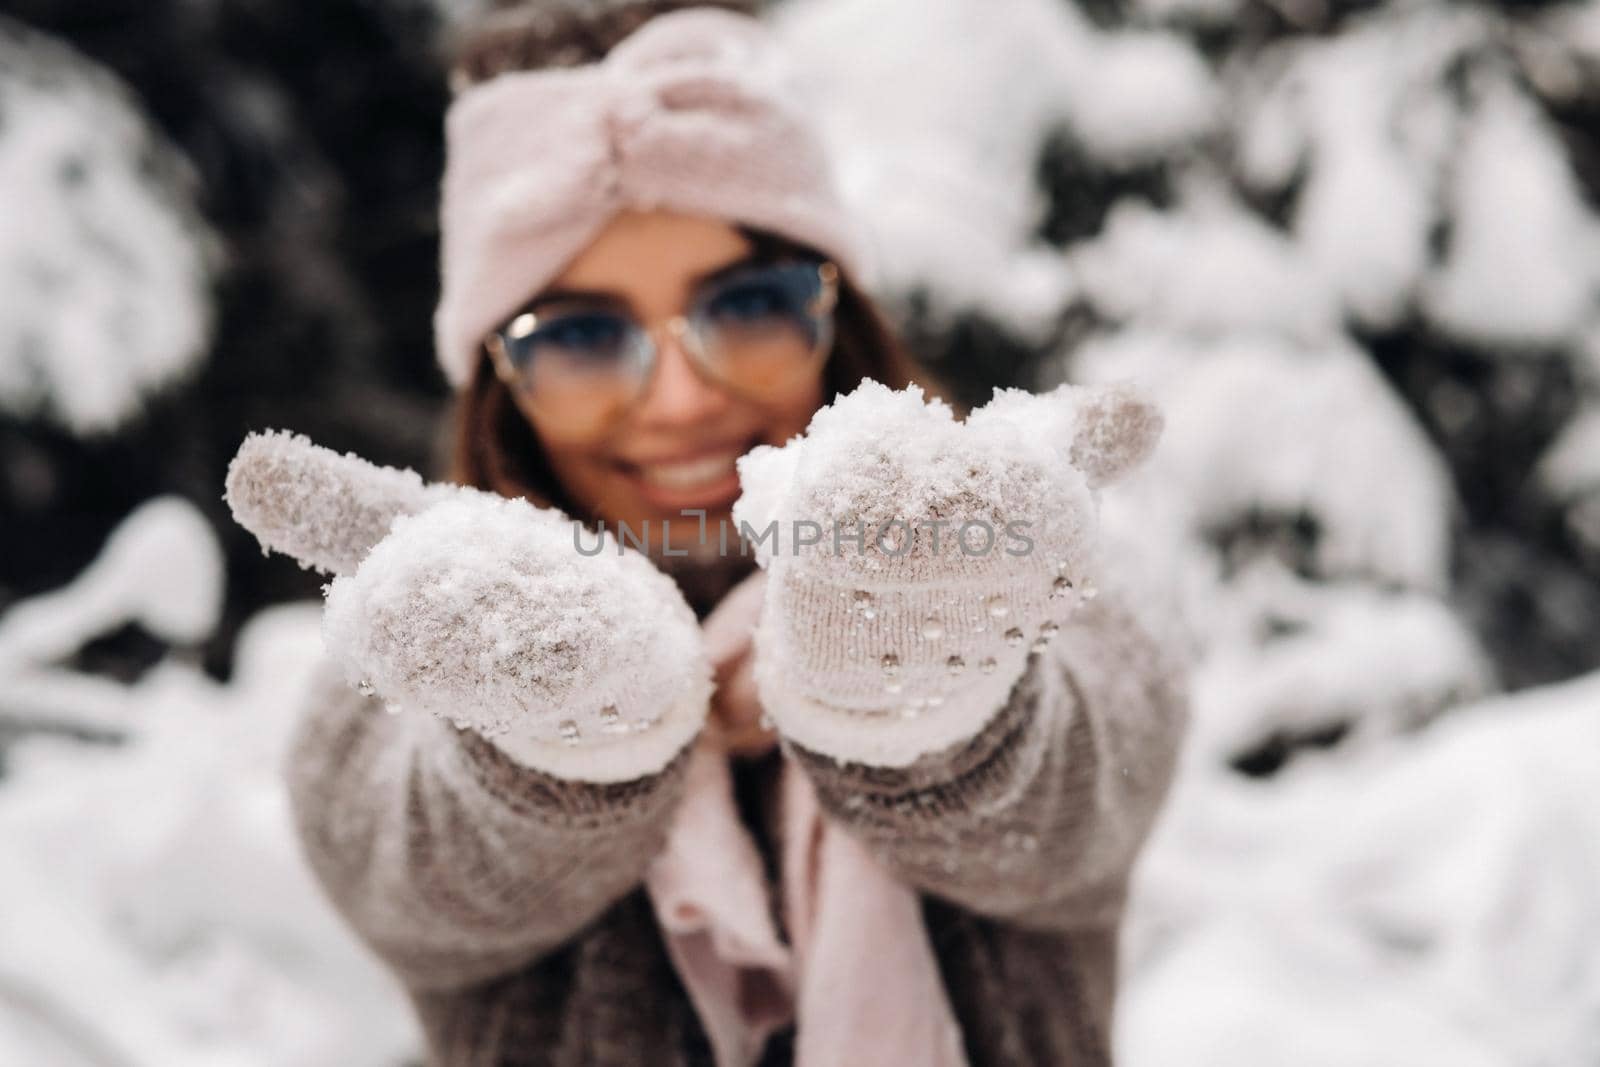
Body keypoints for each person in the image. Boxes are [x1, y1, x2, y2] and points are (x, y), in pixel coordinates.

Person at [230, 2, 1190, 1064]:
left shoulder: (1032, 569)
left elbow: (1074, 794)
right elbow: (411, 857)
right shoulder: (424, 649)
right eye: (582, 334)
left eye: (747, 302)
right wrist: (554, 743)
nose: (681, 399)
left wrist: (941, 695)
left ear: (836, 312)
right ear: (497, 382)